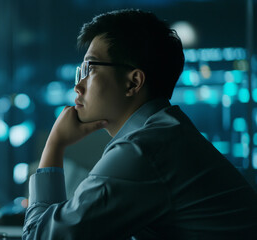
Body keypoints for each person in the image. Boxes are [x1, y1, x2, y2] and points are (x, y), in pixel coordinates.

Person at [22, 9, 257, 240]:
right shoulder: (164, 133)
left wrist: (55, 144)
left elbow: (39, 237)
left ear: (133, 82)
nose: (78, 86)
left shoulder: (144, 150)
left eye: (90, 69)